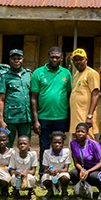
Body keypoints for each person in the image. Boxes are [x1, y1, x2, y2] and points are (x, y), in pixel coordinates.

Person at [31, 46, 71, 177]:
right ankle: (43, 174)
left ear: (61, 58)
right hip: (44, 117)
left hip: (61, 117)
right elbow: (34, 98)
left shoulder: (66, 73)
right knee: (44, 146)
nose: (55, 59)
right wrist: (36, 120)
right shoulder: (38, 73)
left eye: (57, 57)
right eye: (52, 57)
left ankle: (59, 173)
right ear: (48, 58)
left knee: (59, 147)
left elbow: (69, 95)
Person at [0, 49, 32, 148]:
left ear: (23, 59)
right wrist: (1, 120)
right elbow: (1, 99)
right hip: (10, 118)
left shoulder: (29, 75)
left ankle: (25, 163)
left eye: (19, 58)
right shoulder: (5, 76)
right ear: (9, 60)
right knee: (7, 145)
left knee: (25, 145)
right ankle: (7, 164)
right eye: (13, 59)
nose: (16, 61)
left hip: (26, 117)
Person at [69, 48, 101, 139]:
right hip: (76, 117)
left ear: (86, 60)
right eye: (75, 60)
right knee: (76, 143)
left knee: (87, 142)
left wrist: (90, 116)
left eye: (80, 59)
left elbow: (95, 94)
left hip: (86, 117)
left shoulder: (91, 73)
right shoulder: (76, 75)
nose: (78, 62)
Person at [69, 123, 101, 197]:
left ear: (87, 133)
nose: (80, 133)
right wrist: (82, 170)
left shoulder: (93, 144)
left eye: (82, 132)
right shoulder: (73, 143)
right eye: (78, 131)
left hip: (96, 169)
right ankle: (82, 189)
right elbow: (75, 161)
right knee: (72, 173)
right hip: (83, 168)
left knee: (94, 176)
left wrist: (88, 171)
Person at [41, 132, 71, 200]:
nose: (57, 144)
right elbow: (45, 169)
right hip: (51, 174)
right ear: (51, 143)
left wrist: (57, 170)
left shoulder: (66, 152)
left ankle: (64, 192)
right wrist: (49, 171)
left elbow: (66, 169)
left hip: (61, 173)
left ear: (63, 143)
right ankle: (50, 192)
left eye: (59, 143)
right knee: (45, 178)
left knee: (65, 177)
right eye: (55, 142)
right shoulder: (46, 152)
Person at [9, 135, 38, 200]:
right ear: (17, 146)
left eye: (25, 143)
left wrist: (26, 172)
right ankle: (15, 192)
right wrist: (16, 172)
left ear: (29, 146)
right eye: (20, 144)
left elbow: (33, 171)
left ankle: (31, 192)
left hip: (28, 175)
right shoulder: (14, 154)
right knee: (13, 178)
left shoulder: (33, 154)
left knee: (30, 178)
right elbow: (11, 171)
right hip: (18, 175)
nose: (22, 145)